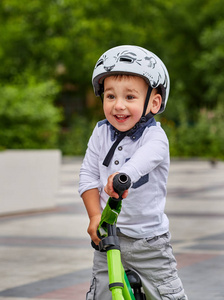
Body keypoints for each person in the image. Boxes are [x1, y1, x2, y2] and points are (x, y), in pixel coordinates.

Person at [79, 45, 188, 299]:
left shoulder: (155, 138)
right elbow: (87, 177)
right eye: (110, 96)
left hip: (148, 244)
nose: (118, 106)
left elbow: (141, 162)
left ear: (154, 102)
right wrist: (95, 217)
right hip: (108, 237)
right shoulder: (100, 132)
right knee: (101, 295)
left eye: (130, 97)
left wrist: (122, 176)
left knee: (166, 294)